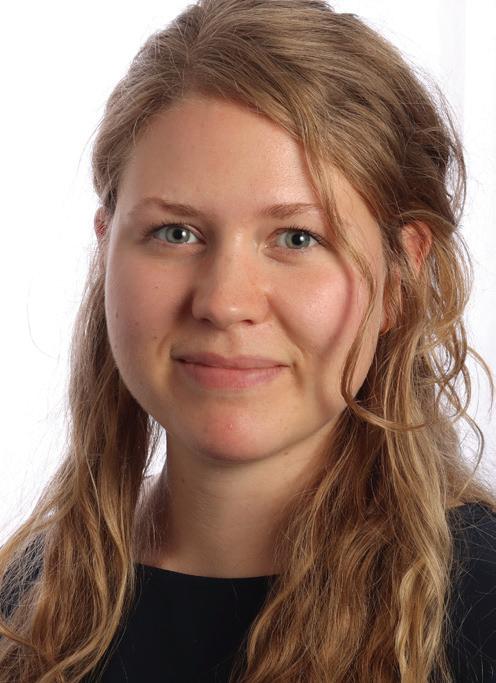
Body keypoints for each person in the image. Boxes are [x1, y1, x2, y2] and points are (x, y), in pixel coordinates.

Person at [1, 0, 495, 680]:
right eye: (175, 232)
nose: (224, 302)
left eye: (297, 238)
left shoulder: (481, 611)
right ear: (106, 247)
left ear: (400, 279)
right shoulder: (23, 608)